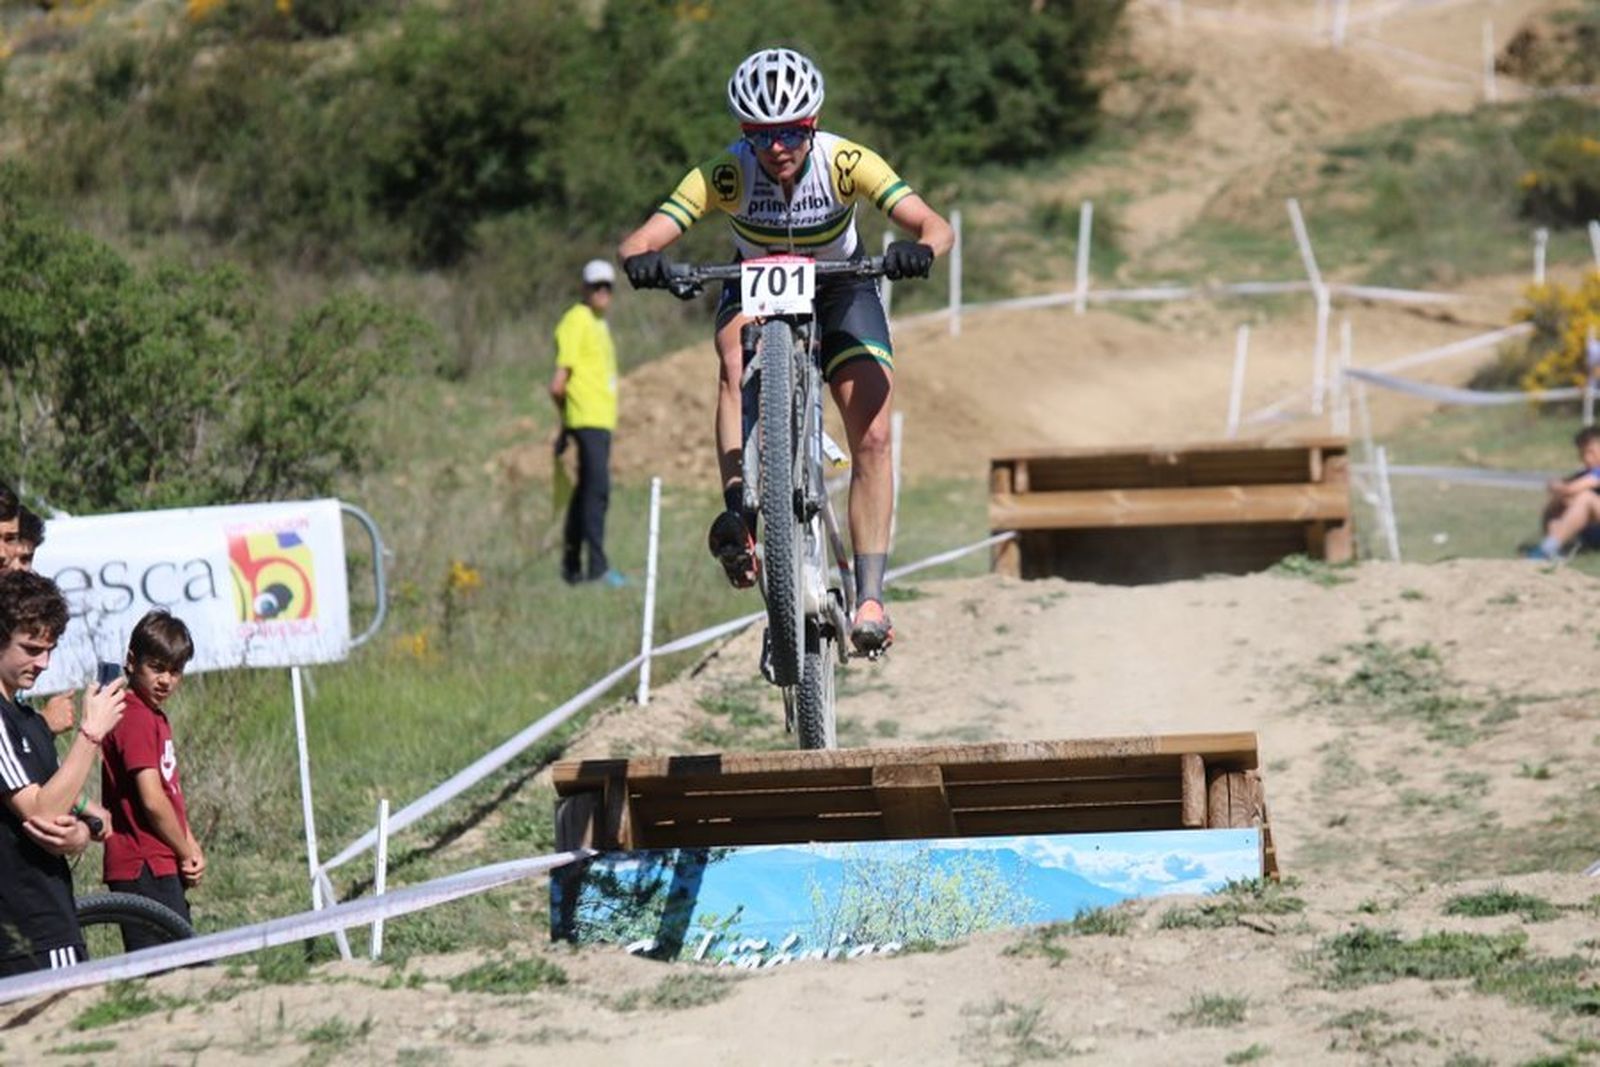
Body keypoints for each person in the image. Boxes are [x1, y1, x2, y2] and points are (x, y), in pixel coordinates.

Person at [617, 46, 953, 655]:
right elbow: (643, 236)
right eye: (762, 133)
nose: (778, 147)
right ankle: (740, 515)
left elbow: (935, 224)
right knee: (729, 357)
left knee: (873, 434)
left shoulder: (846, 161)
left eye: (792, 131)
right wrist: (644, 259)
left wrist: (920, 250)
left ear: (814, 124)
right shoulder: (727, 174)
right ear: (745, 133)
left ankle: (871, 595)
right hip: (755, 280)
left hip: (842, 283)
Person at [0, 570, 126, 976]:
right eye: (32, 648)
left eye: (50, 649)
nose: (44, 663)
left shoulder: (24, 717)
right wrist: (91, 733)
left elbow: (56, 808)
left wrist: (82, 831)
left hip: (46, 918)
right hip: (29, 930)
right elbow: (40, 812)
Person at [99, 609, 203, 951]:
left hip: (159, 858)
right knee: (165, 967)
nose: (166, 680)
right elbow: (152, 799)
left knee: (181, 958)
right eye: (156, 668)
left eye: (175, 671)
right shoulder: (135, 717)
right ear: (132, 661)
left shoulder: (153, 716)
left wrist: (190, 845)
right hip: (142, 864)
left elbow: (169, 793)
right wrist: (184, 848)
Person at [550, 259, 624, 587]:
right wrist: (568, 420)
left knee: (585, 494)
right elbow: (558, 383)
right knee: (597, 492)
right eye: (596, 286)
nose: (602, 292)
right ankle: (597, 568)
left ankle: (571, 566)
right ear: (584, 287)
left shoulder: (599, 323)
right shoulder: (576, 320)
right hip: (586, 419)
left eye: (607, 286)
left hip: (599, 419)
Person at [1527, 426, 1600, 561]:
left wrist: (1560, 488)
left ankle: (1547, 549)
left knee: (1586, 498)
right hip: (1592, 535)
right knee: (1559, 500)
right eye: (1582, 453)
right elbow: (1561, 486)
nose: (1587, 458)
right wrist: (1561, 494)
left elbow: (1569, 488)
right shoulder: (1584, 474)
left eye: (1591, 452)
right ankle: (1554, 547)